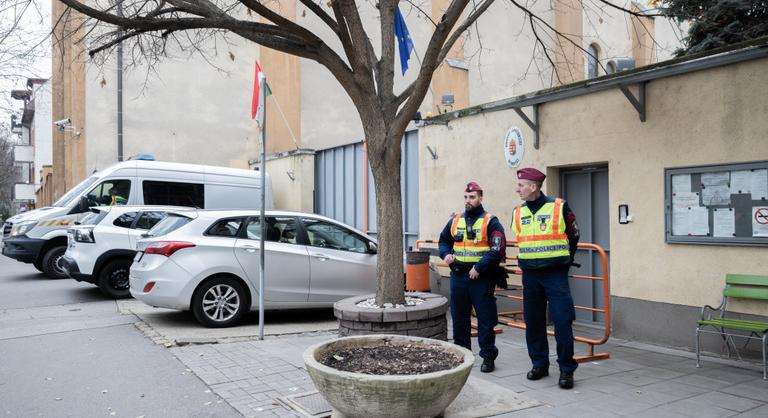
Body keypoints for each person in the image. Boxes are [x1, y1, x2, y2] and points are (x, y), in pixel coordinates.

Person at [512, 167, 580, 389]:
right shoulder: (518, 212)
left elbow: (574, 235)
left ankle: (566, 370)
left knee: (562, 322)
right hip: (530, 276)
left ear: (533, 187)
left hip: (555, 275)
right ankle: (539, 364)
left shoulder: (558, 207)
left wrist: (565, 260)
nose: (517, 189)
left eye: (521, 185)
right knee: (533, 322)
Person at [439, 181, 506, 373]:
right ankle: (463, 357)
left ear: (481, 198)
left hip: (481, 277)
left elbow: (497, 248)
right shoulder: (455, 220)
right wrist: (446, 255)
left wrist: (479, 267)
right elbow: (443, 241)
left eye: (472, 197)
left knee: (485, 320)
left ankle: (488, 357)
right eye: (466, 197)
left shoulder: (490, 221)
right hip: (459, 275)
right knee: (459, 318)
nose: (468, 200)